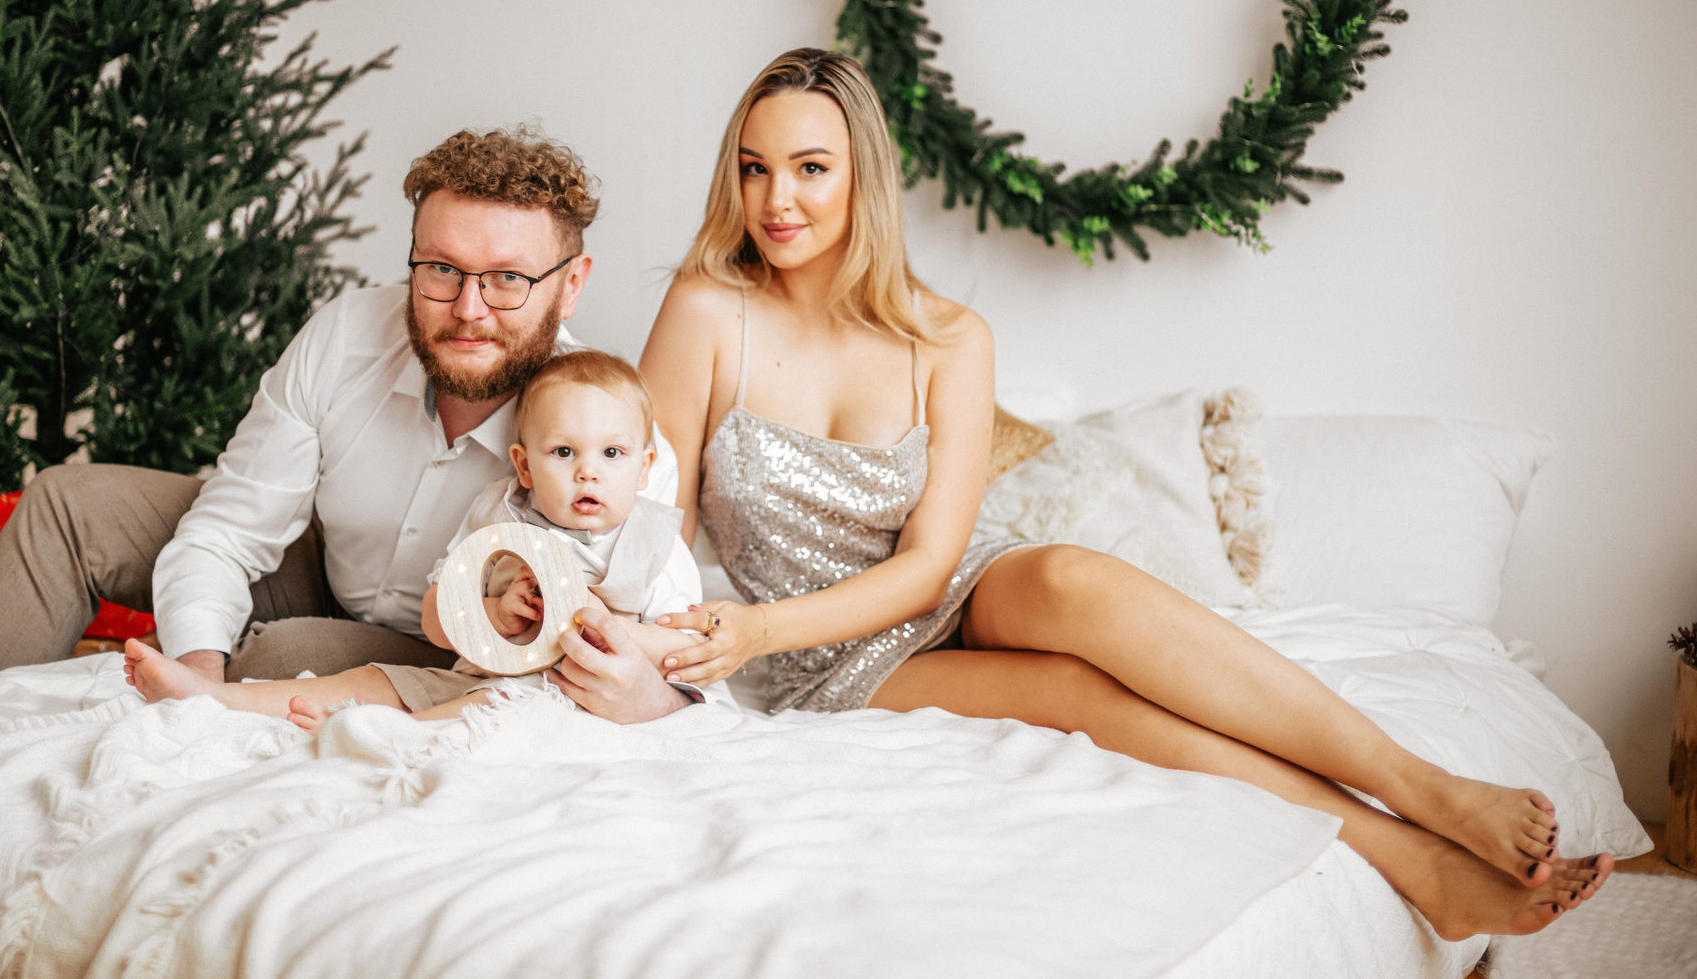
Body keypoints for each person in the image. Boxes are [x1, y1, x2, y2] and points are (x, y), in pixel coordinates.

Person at [636, 47, 1614, 940]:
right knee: (1076, 694)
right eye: (754, 168)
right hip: (815, 658)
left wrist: (753, 627)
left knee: (1066, 575)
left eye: (810, 167)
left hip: (942, 590)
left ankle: (1428, 786)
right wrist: (697, 633)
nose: (778, 199)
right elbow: (650, 533)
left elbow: (932, 565)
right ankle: (1413, 858)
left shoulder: (949, 336)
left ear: (864, 177)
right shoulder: (706, 311)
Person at [0, 127, 704, 725]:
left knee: (280, 655)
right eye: (441, 269)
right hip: (322, 562)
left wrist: (649, 689)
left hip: (450, 646)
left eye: (506, 279)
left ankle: (234, 698)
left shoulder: (608, 445)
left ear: (571, 285)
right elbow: (226, 530)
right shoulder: (349, 334)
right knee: (68, 505)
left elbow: (649, 655)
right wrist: (197, 673)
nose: (468, 308)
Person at [123, 349, 707, 728]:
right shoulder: (499, 515)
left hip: (571, 695)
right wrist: (495, 614)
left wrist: (593, 625)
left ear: (644, 466)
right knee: (375, 680)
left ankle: (383, 735)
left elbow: (683, 650)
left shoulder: (654, 540)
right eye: (563, 452)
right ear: (524, 466)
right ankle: (214, 700)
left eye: (612, 453)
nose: (588, 473)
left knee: (498, 707)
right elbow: (437, 618)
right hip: (473, 675)